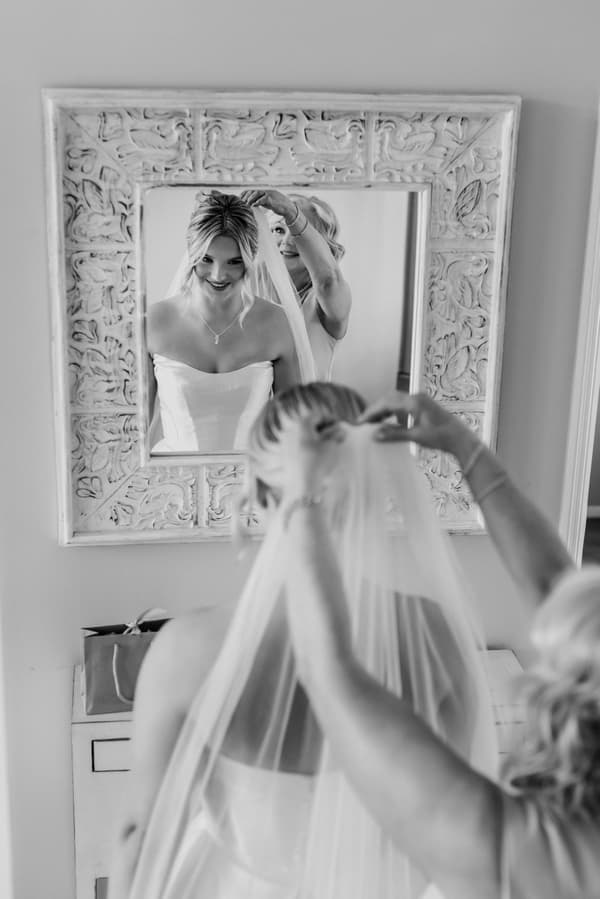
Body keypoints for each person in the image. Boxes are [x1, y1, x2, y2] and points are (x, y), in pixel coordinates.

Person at [108, 383, 498, 899]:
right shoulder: (437, 637)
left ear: (258, 495)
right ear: (373, 487)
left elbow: (140, 835)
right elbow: (459, 830)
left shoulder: (187, 649)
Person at [279, 390, 598, 899]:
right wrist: (465, 449)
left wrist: (298, 498)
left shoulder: (519, 852)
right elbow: (556, 592)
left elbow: (330, 675)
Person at [147, 190, 314, 453]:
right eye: (207, 259)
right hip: (171, 483)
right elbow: (131, 429)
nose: (218, 275)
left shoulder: (276, 322)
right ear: (191, 254)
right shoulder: (155, 322)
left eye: (234, 262)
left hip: (253, 482)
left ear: (250, 259)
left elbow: (291, 428)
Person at [241, 189, 352, 381]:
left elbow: (327, 280)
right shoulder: (246, 283)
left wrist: (290, 212)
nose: (287, 241)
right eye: (278, 230)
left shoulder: (329, 296)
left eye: (298, 233)